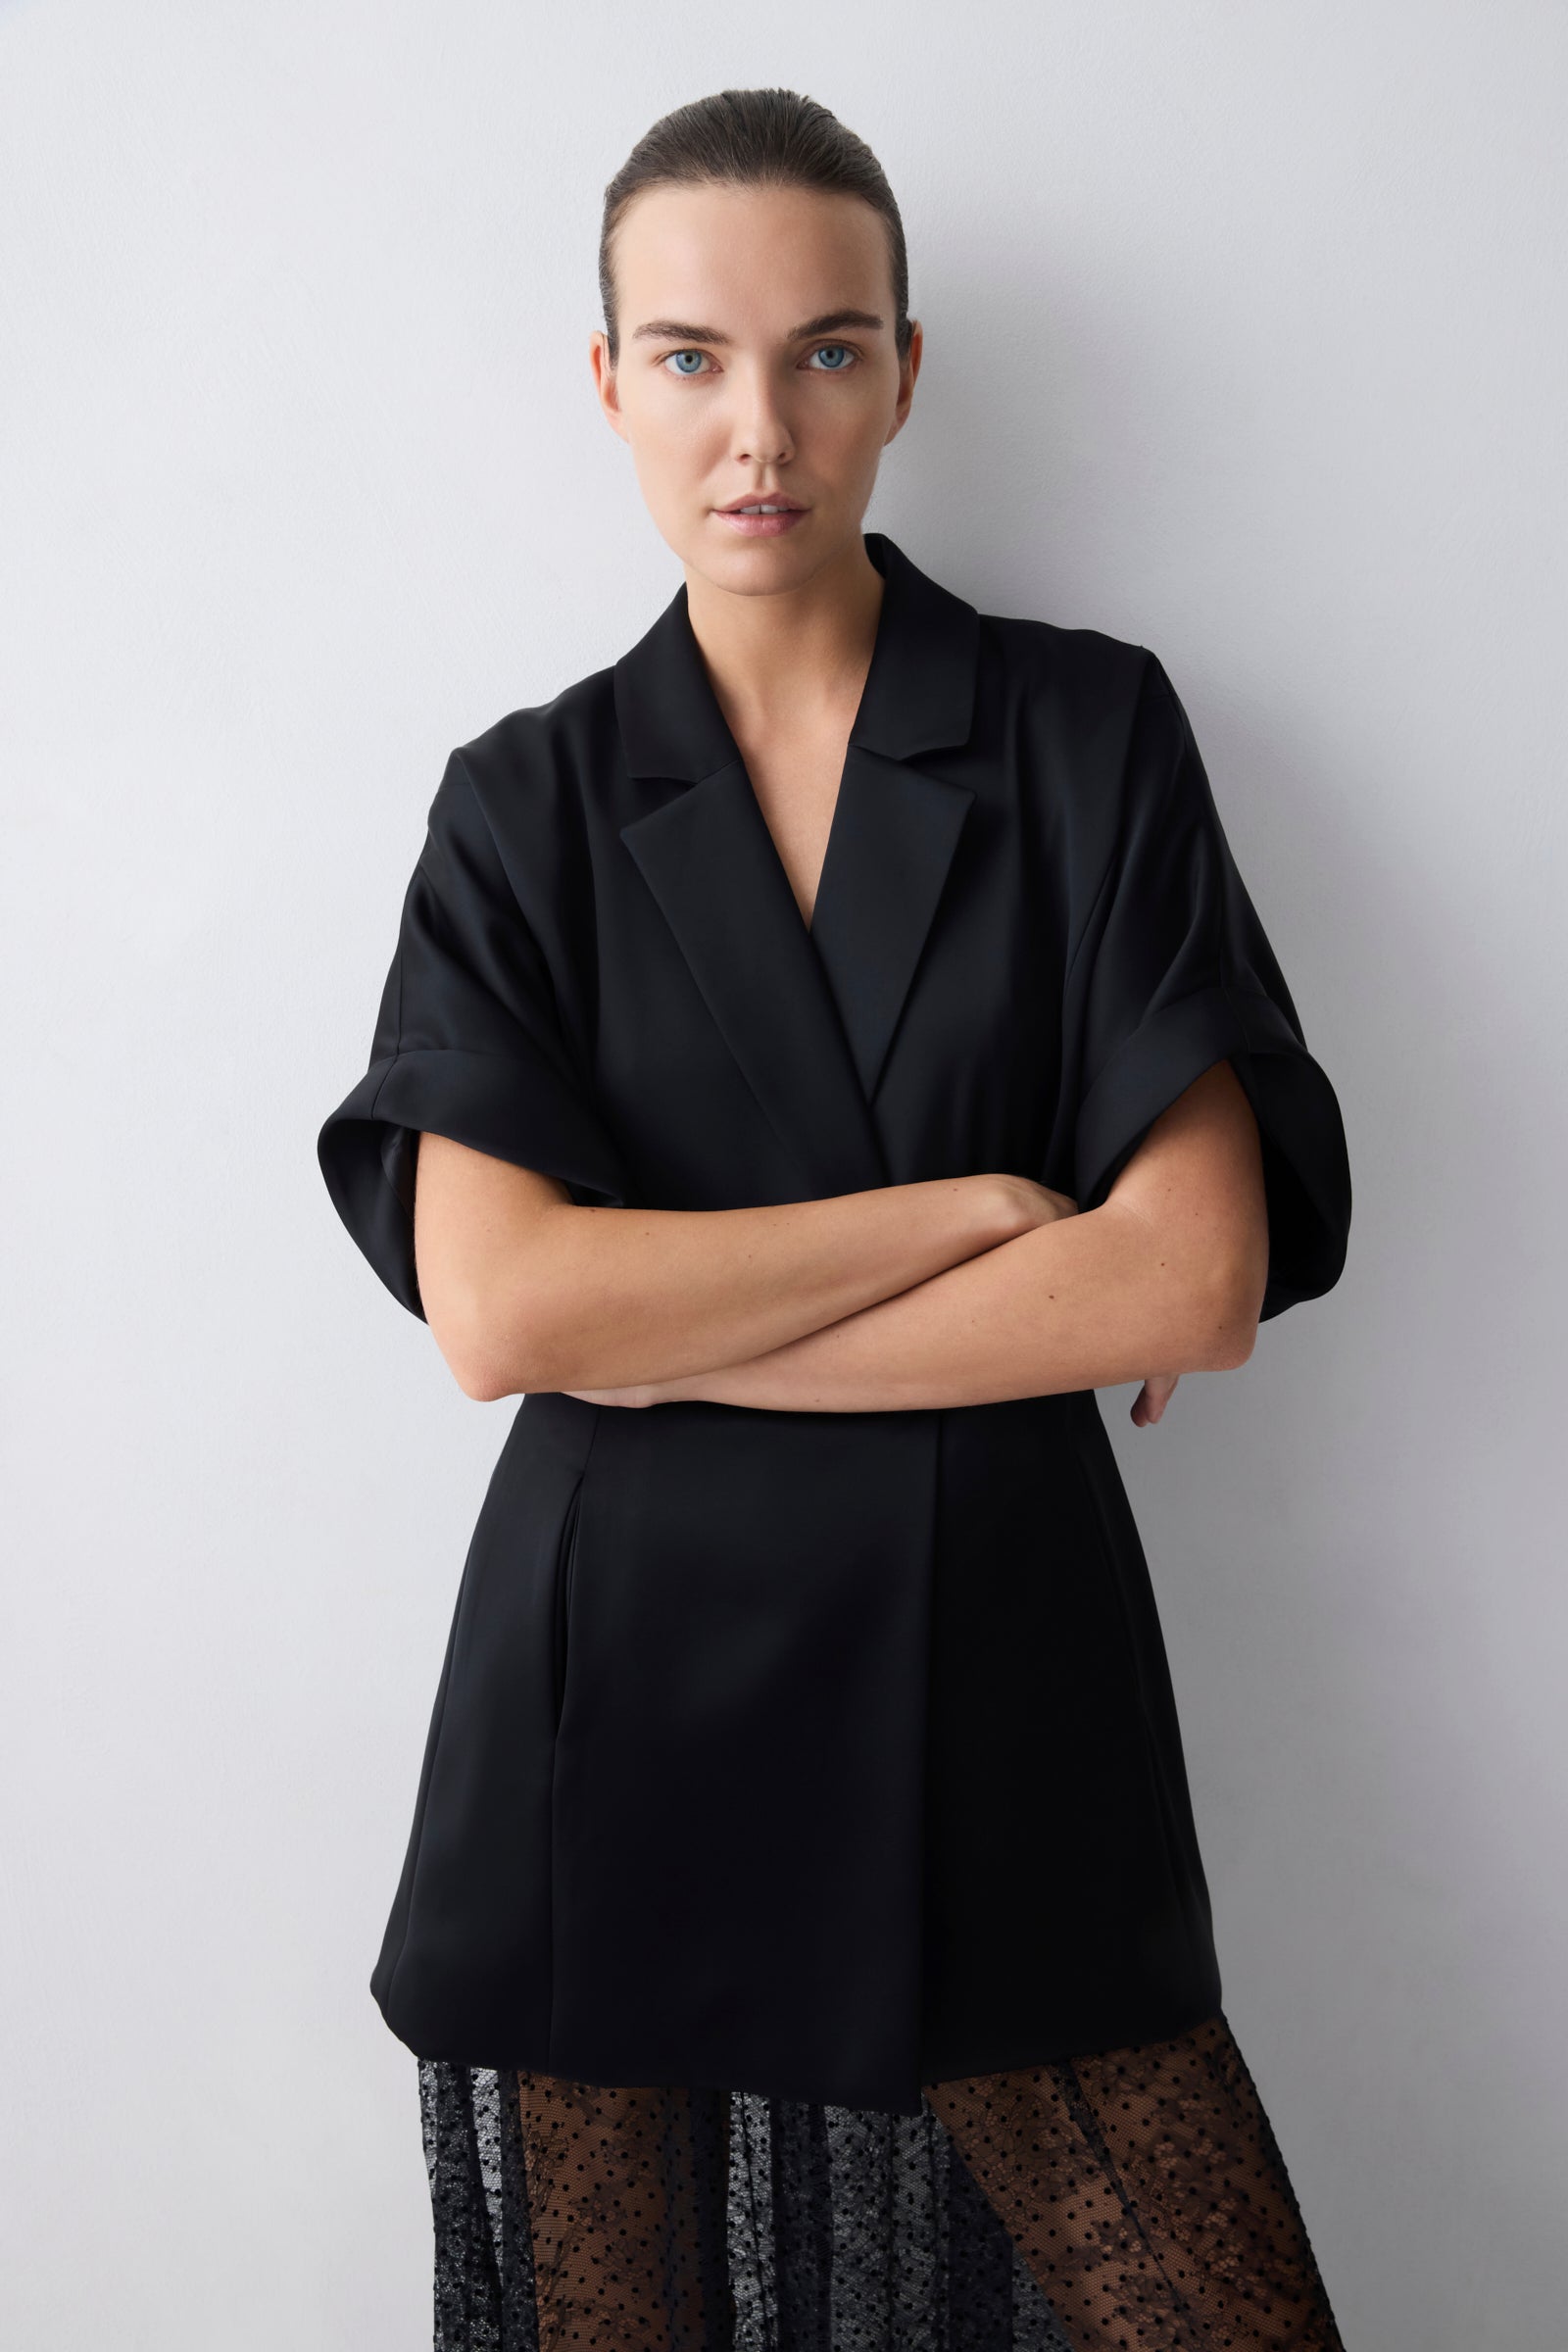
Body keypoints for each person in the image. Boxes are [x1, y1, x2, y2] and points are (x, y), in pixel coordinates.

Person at [318, 85, 1352, 2352]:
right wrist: (963, 1218)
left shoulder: (1081, 734)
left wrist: (657, 1327)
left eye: (822, 350)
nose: (756, 428)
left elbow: (1188, 1277)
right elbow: (498, 1313)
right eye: (689, 356)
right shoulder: (522, 805)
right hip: (606, 1711)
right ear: (607, 381)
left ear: (901, 372)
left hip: (999, 1686)